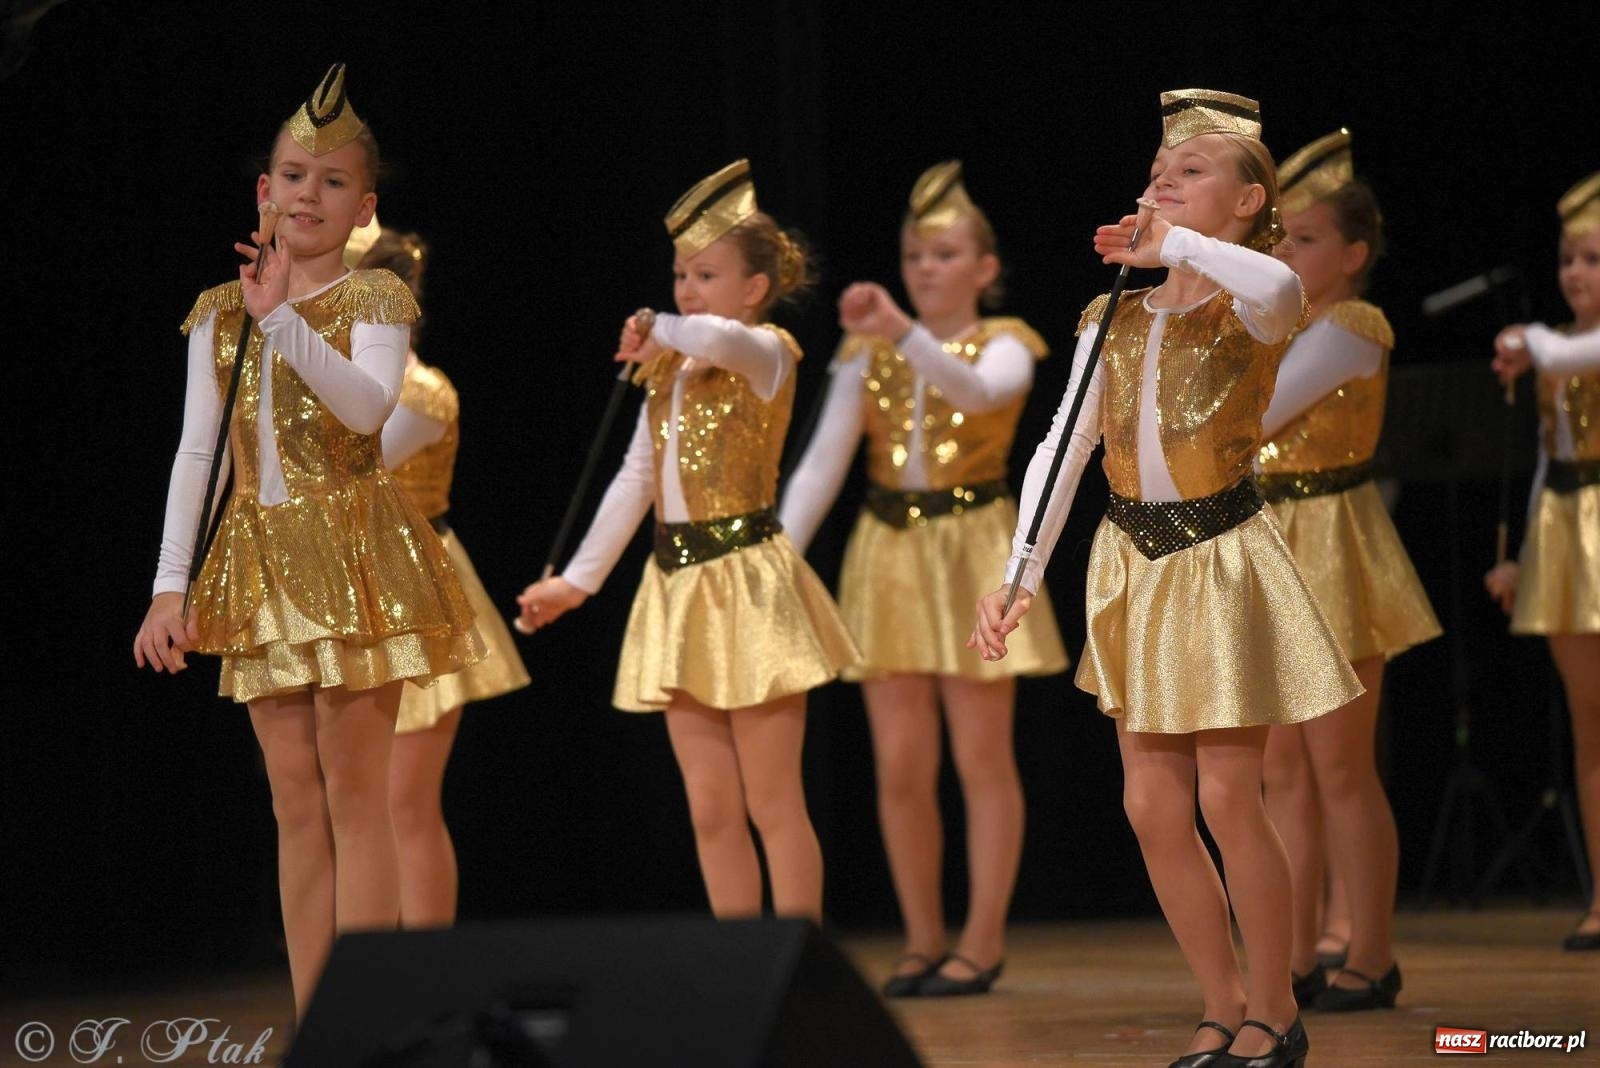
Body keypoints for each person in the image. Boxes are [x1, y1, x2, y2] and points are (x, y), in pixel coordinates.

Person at [972, 90, 1362, 1067]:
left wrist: (1176, 249)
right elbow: (1063, 448)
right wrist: (1017, 571)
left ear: (1246, 202)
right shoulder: (1114, 312)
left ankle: (1274, 1006)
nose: (1163, 185)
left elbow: (1277, 291)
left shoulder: (1258, 297)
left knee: (1231, 798)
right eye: (1156, 174)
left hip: (1220, 560)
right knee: (1150, 805)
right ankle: (1220, 1002)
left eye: (1190, 174)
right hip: (1133, 559)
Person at [132, 65, 484, 1016]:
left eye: (333, 182)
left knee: (356, 799)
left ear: (363, 207)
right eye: (293, 175)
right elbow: (197, 454)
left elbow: (368, 410)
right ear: (264, 192)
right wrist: (172, 588)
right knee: (294, 805)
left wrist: (283, 317)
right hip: (259, 564)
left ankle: (370, 1022)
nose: (308, 195)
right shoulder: (216, 311)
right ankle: (320, 1016)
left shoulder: (376, 304)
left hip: (356, 548)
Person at [516, 161, 858, 923]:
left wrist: (657, 325)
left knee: (773, 800)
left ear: (755, 290)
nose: (688, 288)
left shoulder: (768, 353)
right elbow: (636, 478)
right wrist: (576, 582)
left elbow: (710, 335)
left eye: (707, 273)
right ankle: (741, 961)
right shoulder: (668, 367)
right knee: (709, 807)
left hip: (749, 585)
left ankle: (799, 960)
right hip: (675, 587)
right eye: (679, 274)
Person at [779, 161, 1067, 996]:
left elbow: (978, 396)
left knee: (981, 757)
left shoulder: (1009, 342)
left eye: (944, 255)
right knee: (900, 763)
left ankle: (981, 939)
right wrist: (781, 557)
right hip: (890, 551)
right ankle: (922, 937)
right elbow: (823, 463)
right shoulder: (867, 347)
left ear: (984, 268)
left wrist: (902, 329)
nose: (926, 269)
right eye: (914, 256)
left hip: (975, 541)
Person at [1256, 130, 1441, 1012]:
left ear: (1353, 255)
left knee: (1340, 766)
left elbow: (1256, 415)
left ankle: (1371, 951)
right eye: (1278, 238)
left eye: (1304, 239)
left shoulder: (1354, 325)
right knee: (1279, 770)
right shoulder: (1275, 321)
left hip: (1332, 538)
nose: (1285, 253)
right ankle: (1293, 953)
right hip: (1269, 536)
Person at [344, 222, 532, 929]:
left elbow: (349, 471)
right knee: (354, 801)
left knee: (406, 802)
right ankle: (364, 968)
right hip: (349, 587)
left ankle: (423, 968)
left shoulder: (422, 394)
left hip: (417, 590)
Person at [1485, 170, 1600, 953]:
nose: (1574, 274)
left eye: (1592, 259)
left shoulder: (1565, 347)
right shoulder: (1559, 350)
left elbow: (1570, 351)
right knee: (1589, 725)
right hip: (1566, 525)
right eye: (1568, 259)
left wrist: (1532, 342)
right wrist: (1522, 556)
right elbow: (1543, 457)